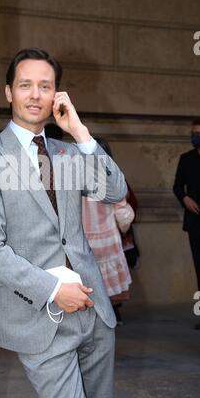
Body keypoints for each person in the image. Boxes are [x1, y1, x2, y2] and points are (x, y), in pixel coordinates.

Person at [0, 48, 127, 398]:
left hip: (94, 314)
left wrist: (80, 133)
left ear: (56, 94)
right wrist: (52, 289)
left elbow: (114, 190)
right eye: (25, 85)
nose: (35, 94)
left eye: (44, 86)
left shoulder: (68, 152)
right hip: (37, 317)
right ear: (8, 92)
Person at [82, 139, 134, 326]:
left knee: (86, 286)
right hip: (108, 239)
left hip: (83, 240)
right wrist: (125, 227)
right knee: (108, 289)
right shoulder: (113, 179)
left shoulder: (75, 178)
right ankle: (109, 319)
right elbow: (123, 214)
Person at [173, 118, 200, 330]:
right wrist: (185, 198)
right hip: (195, 222)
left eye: (199, 133)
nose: (195, 136)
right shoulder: (186, 159)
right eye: (194, 133)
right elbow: (177, 186)